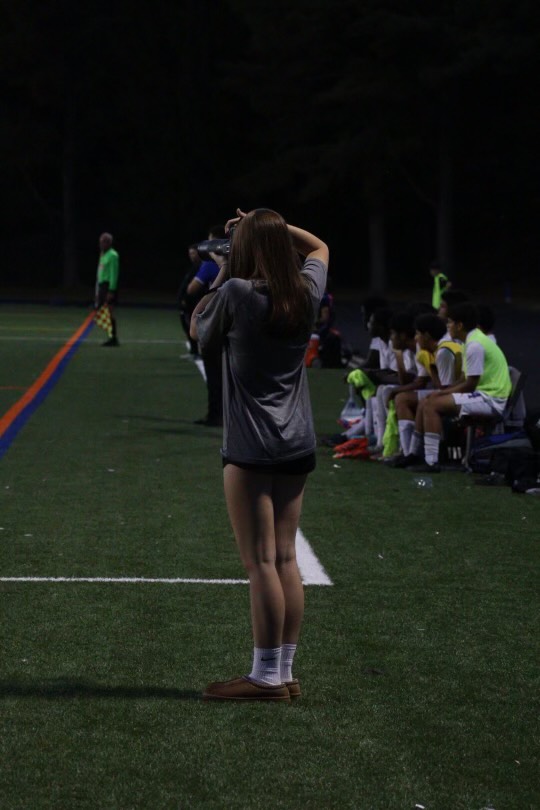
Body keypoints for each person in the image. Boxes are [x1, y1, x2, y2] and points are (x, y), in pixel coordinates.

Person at [190, 207, 329, 702]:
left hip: (250, 446)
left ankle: (265, 677)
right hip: (298, 442)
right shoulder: (305, 294)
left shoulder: (235, 292)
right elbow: (319, 248)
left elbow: (199, 330)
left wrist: (231, 257)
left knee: (261, 563)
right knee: (287, 557)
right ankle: (284, 672)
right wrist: (272, 226)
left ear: (245, 249)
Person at [396, 302, 511, 472]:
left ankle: (431, 462)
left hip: (491, 399)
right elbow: (465, 378)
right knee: (428, 400)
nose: (447, 326)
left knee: (431, 404)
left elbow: (470, 383)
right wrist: (441, 392)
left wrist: (441, 394)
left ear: (459, 325)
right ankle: (413, 453)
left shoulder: (474, 345)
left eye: (449, 322)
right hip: (484, 394)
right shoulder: (470, 341)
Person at [188, 224, 227, 426]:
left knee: (213, 374)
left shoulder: (211, 264)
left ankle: (215, 415)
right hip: (234, 326)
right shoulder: (241, 264)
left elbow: (192, 289)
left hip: (213, 323)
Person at [95, 232, 120, 347]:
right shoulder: (103, 254)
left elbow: (113, 274)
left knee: (108, 312)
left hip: (107, 286)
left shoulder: (113, 255)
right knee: (102, 312)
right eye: (100, 242)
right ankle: (111, 336)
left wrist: (111, 290)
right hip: (102, 286)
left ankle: (113, 338)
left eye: (103, 242)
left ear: (108, 243)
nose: (100, 244)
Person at [177, 244, 202, 355]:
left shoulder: (201, 268)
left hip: (193, 303)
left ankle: (196, 351)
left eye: (193, 253)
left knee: (192, 327)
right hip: (187, 303)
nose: (191, 256)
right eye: (190, 253)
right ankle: (194, 350)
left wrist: (186, 299)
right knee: (187, 326)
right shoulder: (193, 267)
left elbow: (194, 288)